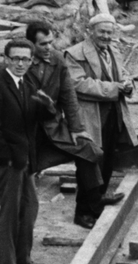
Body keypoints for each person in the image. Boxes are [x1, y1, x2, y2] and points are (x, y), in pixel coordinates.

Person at [0, 38, 49, 264]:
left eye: (25, 59)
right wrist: (7, 159)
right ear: (6, 59)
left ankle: (22, 260)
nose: (20, 63)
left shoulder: (26, 84)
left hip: (24, 160)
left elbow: (35, 118)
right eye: (15, 58)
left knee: (29, 208)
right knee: (9, 215)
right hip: (8, 163)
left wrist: (47, 105)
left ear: (31, 61)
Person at [64, 16, 138, 227]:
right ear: (90, 31)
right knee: (89, 163)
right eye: (101, 32)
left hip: (113, 114)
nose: (106, 36)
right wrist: (116, 88)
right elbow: (78, 84)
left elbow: (123, 73)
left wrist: (127, 83)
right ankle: (83, 213)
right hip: (90, 117)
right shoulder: (75, 53)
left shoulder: (113, 51)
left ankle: (99, 201)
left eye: (109, 32)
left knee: (107, 161)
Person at [23, 20, 90, 179]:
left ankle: (93, 199)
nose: (48, 47)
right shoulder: (20, 61)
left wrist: (76, 128)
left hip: (53, 124)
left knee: (88, 150)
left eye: (51, 42)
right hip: (26, 127)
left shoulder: (57, 59)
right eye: (43, 44)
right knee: (25, 169)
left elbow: (68, 95)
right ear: (30, 44)